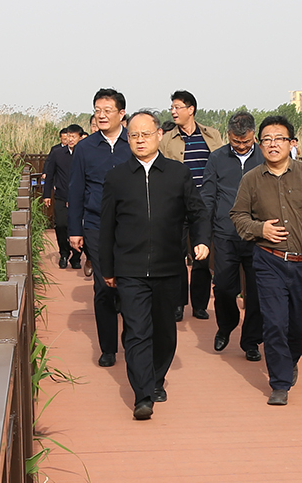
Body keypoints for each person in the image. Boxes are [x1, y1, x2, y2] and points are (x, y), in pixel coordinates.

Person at [100, 110, 210, 420]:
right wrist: (107, 268)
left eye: (146, 134)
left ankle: (157, 378)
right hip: (130, 269)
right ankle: (143, 395)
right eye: (134, 135)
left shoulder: (177, 174)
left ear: (159, 135)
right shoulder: (117, 177)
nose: (140, 140)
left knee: (164, 332)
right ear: (128, 138)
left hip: (168, 267)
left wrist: (202, 240)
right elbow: (106, 226)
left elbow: (198, 212)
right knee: (136, 331)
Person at [229, 115, 302, 406]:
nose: (273, 144)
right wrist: (260, 229)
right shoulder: (251, 179)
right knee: (275, 323)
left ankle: (288, 361)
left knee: (301, 325)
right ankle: (279, 384)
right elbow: (238, 216)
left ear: (292, 143)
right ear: (259, 145)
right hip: (269, 260)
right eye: (267, 139)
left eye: (279, 139)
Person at [68, 88, 131, 368]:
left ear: (121, 113)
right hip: (96, 225)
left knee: (130, 285)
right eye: (97, 110)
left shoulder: (134, 142)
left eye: (107, 110)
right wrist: (75, 230)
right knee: (104, 287)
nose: (101, 115)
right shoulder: (85, 148)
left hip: (131, 225)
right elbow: (76, 190)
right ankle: (108, 348)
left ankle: (132, 338)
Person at [201, 111, 264, 361]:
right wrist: (203, 233)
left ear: (254, 135)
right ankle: (226, 326)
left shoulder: (264, 157)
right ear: (228, 135)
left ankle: (251, 341)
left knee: (257, 291)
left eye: (245, 141)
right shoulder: (217, 158)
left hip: (258, 235)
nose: (241, 146)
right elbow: (208, 196)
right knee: (224, 287)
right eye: (236, 141)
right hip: (225, 233)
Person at [159, 90, 223, 321]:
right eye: (172, 107)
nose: (173, 112)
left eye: (177, 107)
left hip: (203, 206)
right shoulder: (167, 140)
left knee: (202, 256)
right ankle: (178, 303)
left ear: (191, 109)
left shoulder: (212, 136)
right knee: (176, 256)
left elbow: (221, 168)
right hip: (176, 205)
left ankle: (199, 304)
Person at [43, 124, 84, 269]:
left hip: (80, 198)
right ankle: (64, 253)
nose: (70, 139)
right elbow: (49, 175)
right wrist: (46, 195)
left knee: (80, 227)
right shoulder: (58, 153)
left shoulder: (85, 154)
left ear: (80, 138)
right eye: (68, 136)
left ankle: (76, 257)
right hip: (61, 195)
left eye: (73, 137)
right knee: (61, 225)